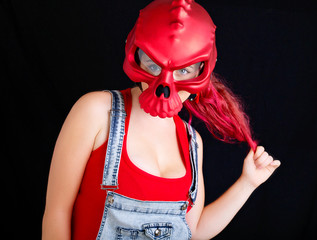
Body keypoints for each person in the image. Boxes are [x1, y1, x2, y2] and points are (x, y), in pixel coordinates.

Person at [42, 0, 281, 239]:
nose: (166, 86)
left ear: (202, 70)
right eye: (153, 65)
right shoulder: (96, 112)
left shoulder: (191, 142)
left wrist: (247, 183)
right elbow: (57, 213)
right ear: (135, 52)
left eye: (184, 71)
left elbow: (193, 231)